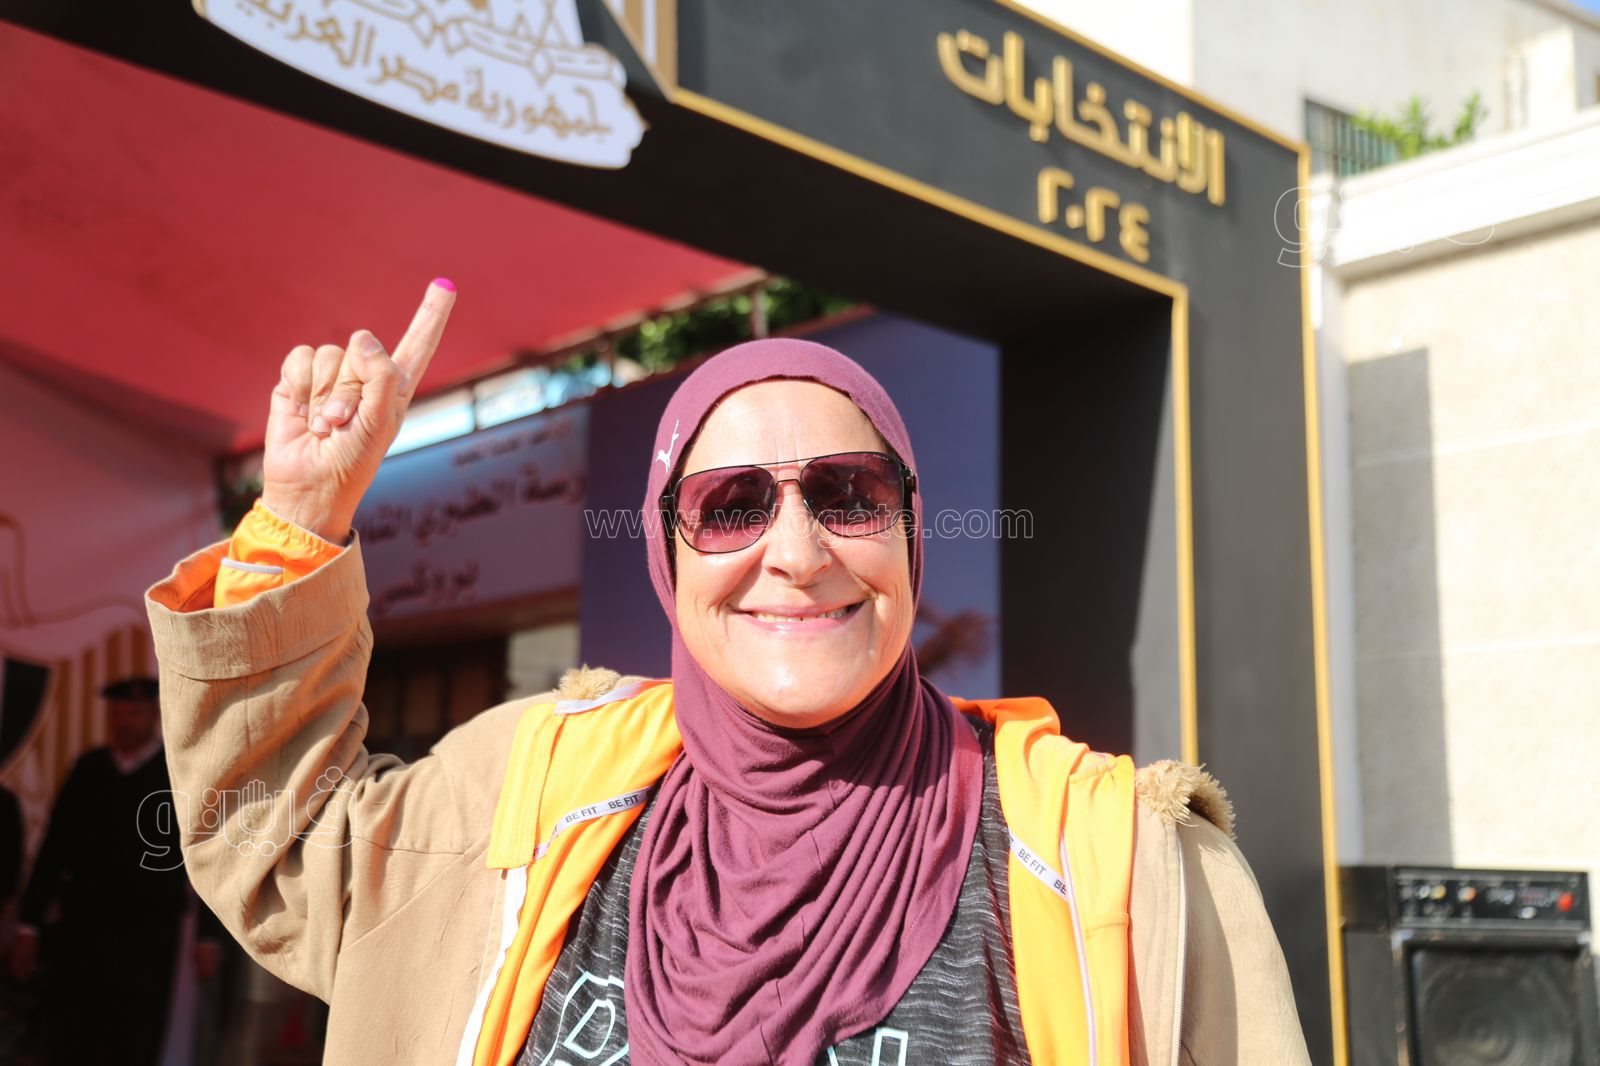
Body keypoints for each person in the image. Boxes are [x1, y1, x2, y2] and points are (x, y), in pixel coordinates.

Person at [146, 280, 1310, 1065]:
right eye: (732, 504)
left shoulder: (1126, 867)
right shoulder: (529, 794)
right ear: (665, 553)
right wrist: (300, 519)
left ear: (911, 534)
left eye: (848, 494)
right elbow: (281, 840)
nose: (796, 554)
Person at [11, 677, 188, 1065]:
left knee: (134, 1038)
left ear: (154, 715)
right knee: (70, 1035)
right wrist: (29, 925)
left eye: (134, 713)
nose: (124, 722)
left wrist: (207, 936)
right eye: (118, 713)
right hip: (82, 929)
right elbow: (54, 850)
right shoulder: (88, 769)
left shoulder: (176, 775)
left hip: (147, 936)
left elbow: (200, 860)